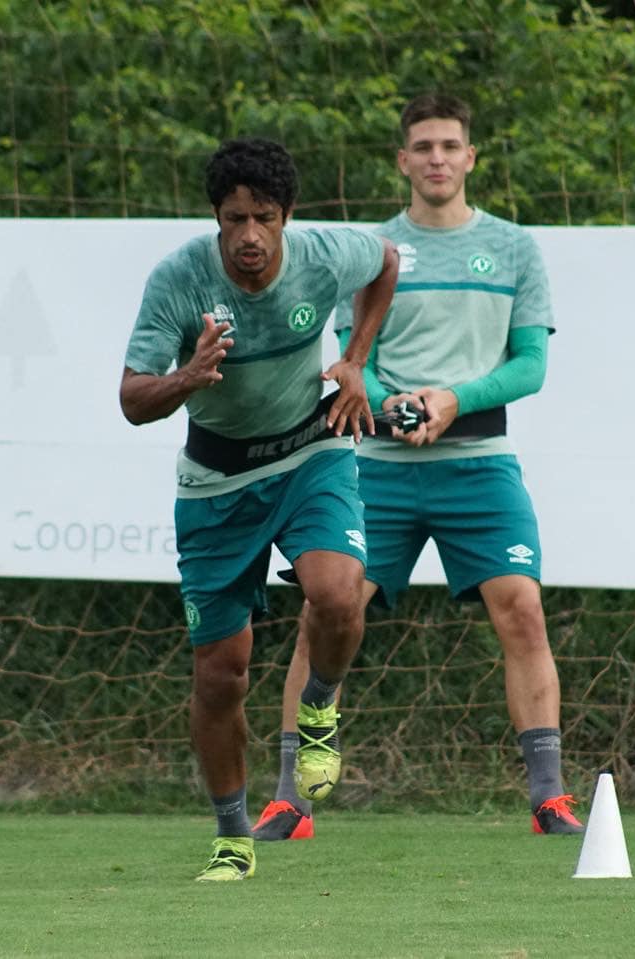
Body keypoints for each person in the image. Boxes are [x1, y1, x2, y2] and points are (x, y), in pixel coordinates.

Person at [253, 94, 584, 842]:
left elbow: (531, 365)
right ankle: (288, 799)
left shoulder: (514, 248)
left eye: (450, 145)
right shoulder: (368, 252)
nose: (437, 157)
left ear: (471, 158)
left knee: (522, 611)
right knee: (325, 611)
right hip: (374, 464)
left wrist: (452, 400)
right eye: (423, 146)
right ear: (403, 161)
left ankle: (549, 799)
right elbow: (346, 362)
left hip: (480, 464)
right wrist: (382, 400)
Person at [120, 137, 399, 881]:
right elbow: (130, 400)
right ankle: (231, 835)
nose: (248, 235)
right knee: (221, 673)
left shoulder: (324, 254)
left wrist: (356, 360)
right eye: (234, 218)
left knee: (338, 595)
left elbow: (387, 264)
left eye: (263, 218)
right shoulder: (178, 281)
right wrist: (188, 377)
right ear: (216, 217)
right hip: (217, 480)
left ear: (287, 217)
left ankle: (318, 708)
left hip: (313, 449)